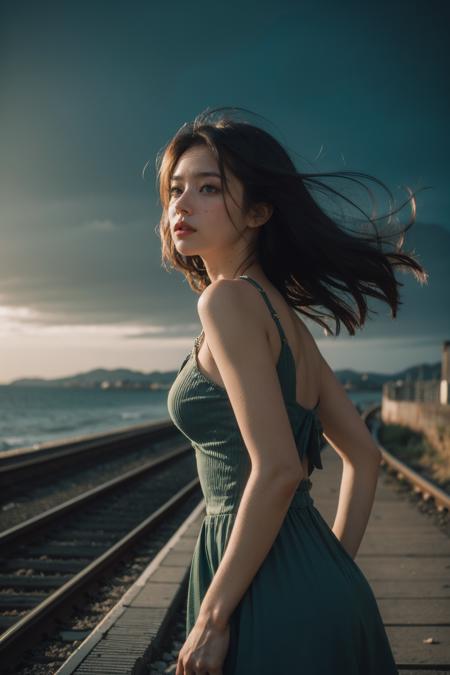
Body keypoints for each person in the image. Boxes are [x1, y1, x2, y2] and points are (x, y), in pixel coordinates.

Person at [159, 106, 428, 674]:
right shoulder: (286, 322)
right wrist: (329, 568)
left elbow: (279, 468)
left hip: (256, 583)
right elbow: (365, 455)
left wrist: (211, 618)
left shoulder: (226, 302)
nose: (181, 205)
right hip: (316, 583)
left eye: (209, 188)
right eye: (176, 189)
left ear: (258, 212)